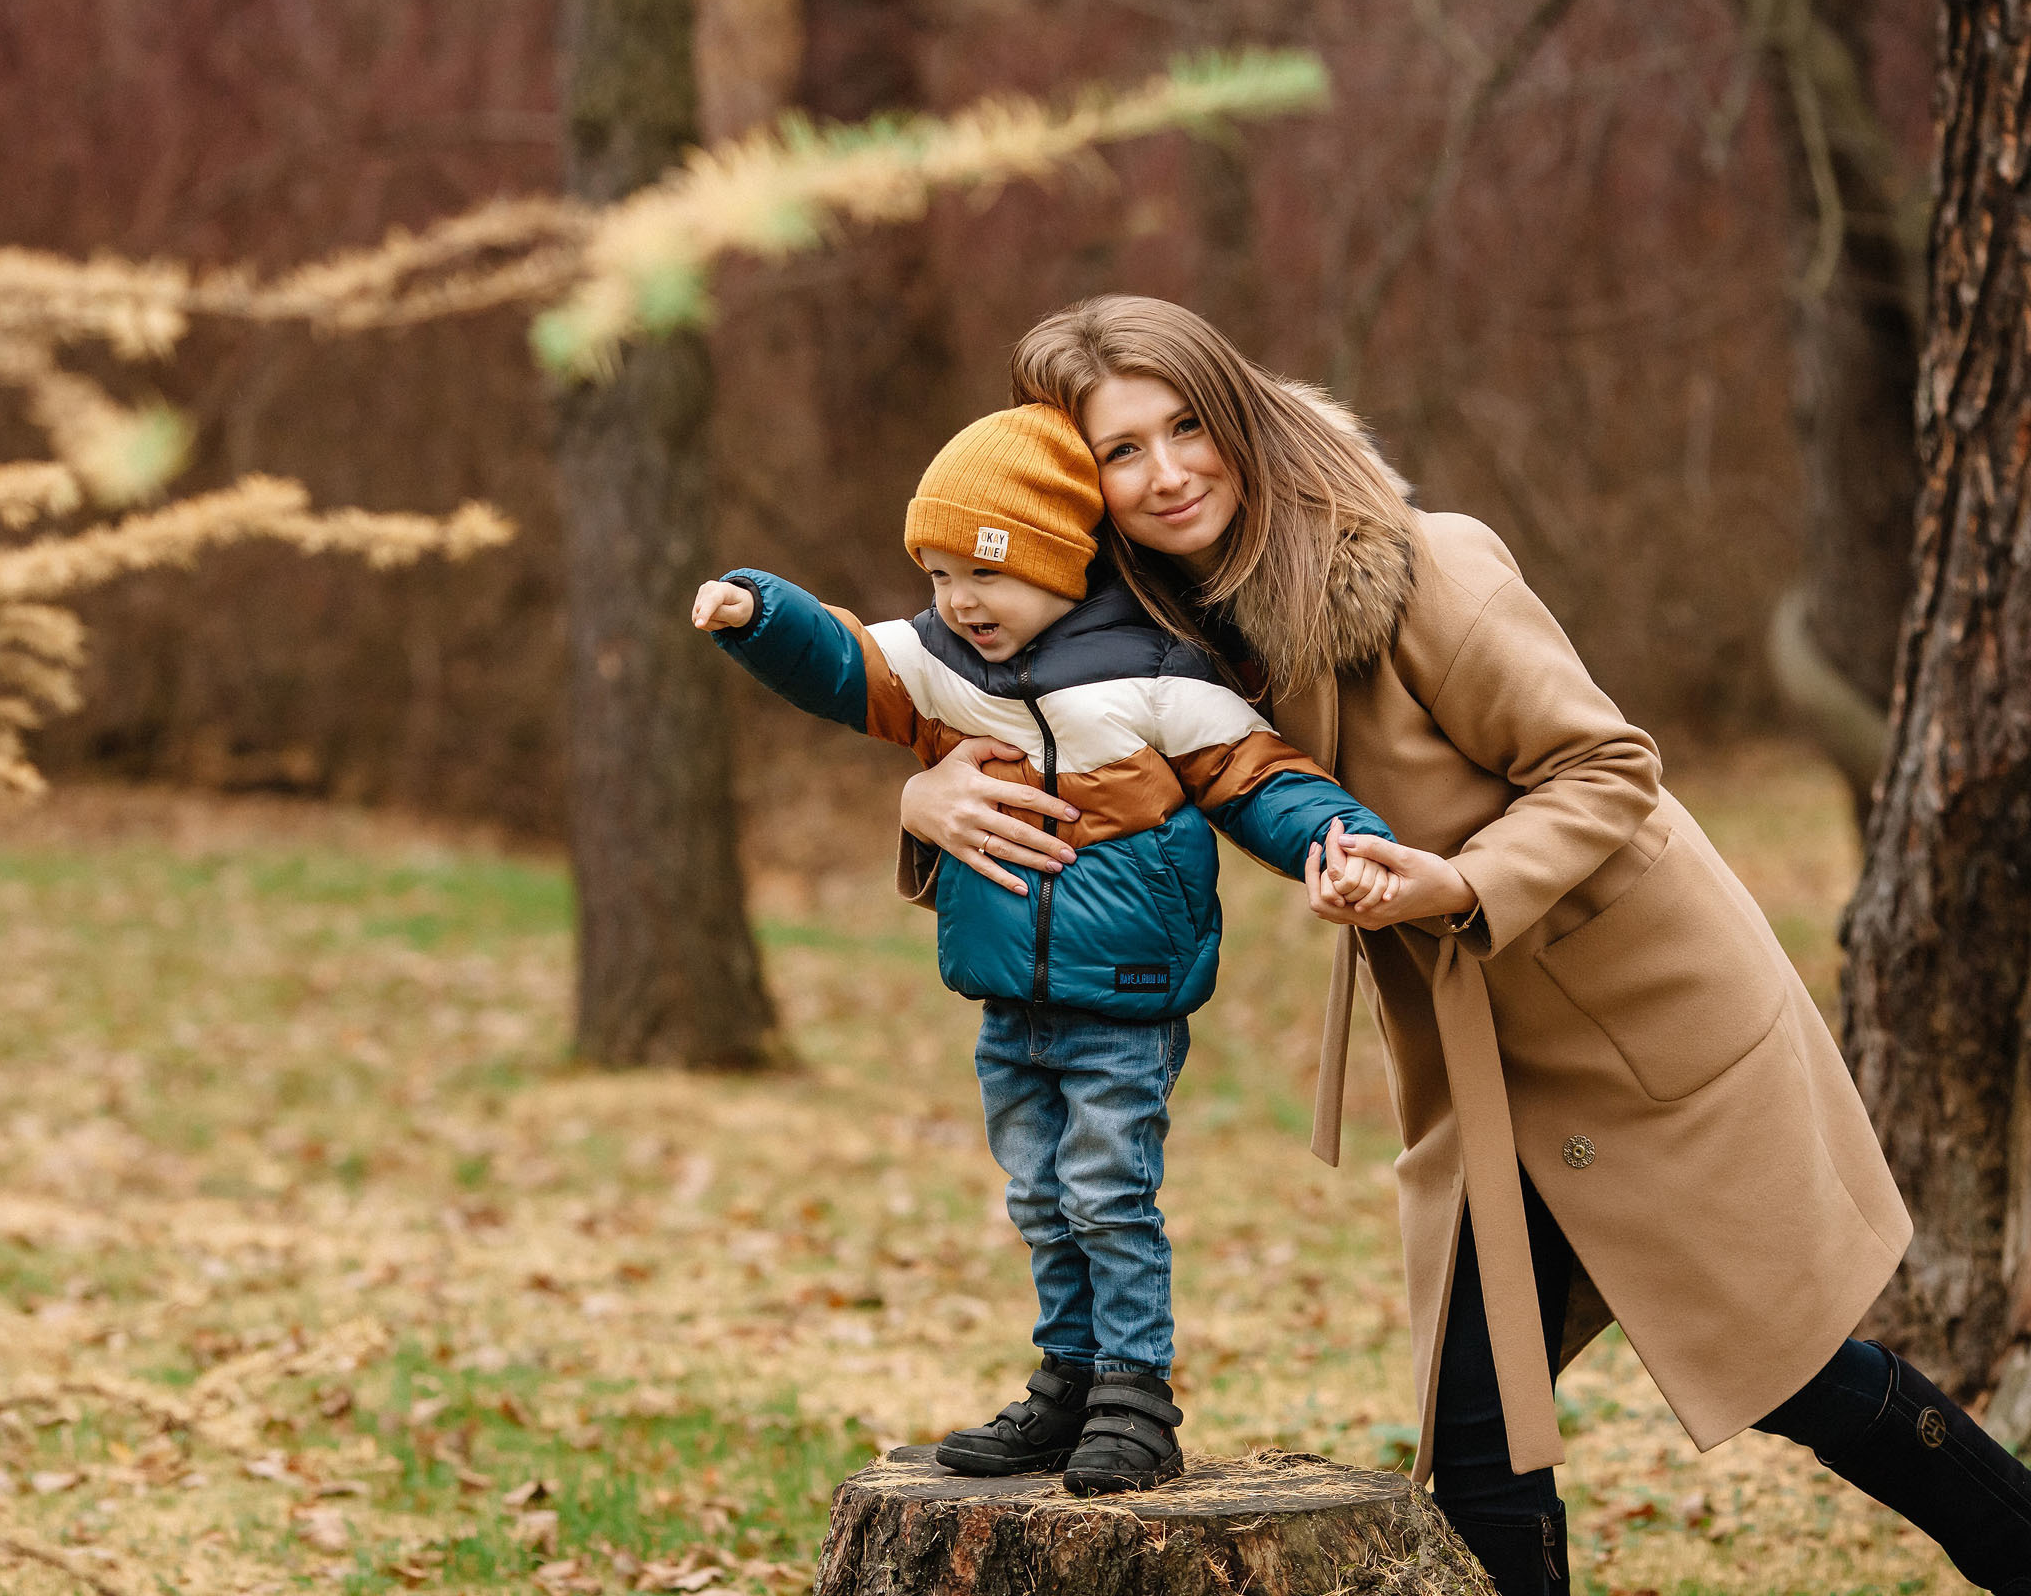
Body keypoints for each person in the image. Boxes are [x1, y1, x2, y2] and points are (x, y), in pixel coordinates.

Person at [891, 295, 2031, 1593]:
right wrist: (923, 801)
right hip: (1480, 1064)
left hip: (1632, 1018)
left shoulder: (1427, 568)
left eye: (1187, 426)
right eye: (1121, 452)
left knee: (1796, 1373)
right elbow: (972, 706)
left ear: (1241, 417)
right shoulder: (1133, 631)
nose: (1168, 474)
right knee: (1484, 1448)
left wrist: (1461, 876)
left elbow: (1608, 766)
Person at [691, 402, 1398, 1496]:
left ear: (1064, 559)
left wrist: (1345, 840)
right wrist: (758, 611)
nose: (958, 602)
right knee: (1037, 1193)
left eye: (983, 572)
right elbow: (844, 661)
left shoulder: (1156, 674)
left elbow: (1258, 777)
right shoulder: (943, 665)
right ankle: (1068, 1380)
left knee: (1109, 1190)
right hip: (1007, 1001)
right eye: (935, 576)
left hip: (1124, 994)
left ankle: (1136, 1398)